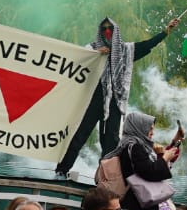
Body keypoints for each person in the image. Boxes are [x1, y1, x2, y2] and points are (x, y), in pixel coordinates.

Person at [55, 16, 172, 179]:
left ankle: (106, 179)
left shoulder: (125, 50)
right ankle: (61, 170)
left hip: (115, 102)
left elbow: (147, 44)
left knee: (110, 143)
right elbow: (75, 60)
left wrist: (165, 32)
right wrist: (96, 54)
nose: (107, 31)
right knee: (79, 135)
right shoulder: (91, 49)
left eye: (110, 28)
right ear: (100, 32)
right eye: (104, 29)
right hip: (93, 100)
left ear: (115, 32)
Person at [115, 109, 180, 210]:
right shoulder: (135, 146)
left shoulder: (129, 144)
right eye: (150, 129)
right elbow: (150, 172)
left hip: (138, 201)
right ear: (139, 127)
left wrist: (173, 144)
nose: (152, 133)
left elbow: (150, 166)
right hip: (139, 204)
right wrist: (164, 158)